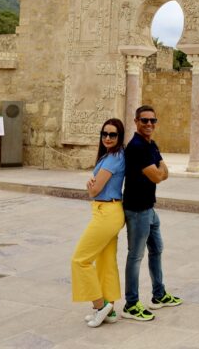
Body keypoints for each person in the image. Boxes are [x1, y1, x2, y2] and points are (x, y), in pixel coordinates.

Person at [121, 104, 182, 321]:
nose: (149, 124)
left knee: (157, 249)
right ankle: (131, 304)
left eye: (152, 121)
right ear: (136, 121)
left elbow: (164, 171)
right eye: (144, 120)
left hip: (149, 208)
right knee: (135, 256)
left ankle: (159, 295)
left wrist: (160, 171)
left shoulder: (151, 144)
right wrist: (160, 172)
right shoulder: (137, 147)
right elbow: (158, 176)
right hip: (137, 209)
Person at [70, 118, 126, 328]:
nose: (108, 138)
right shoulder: (110, 156)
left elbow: (94, 190)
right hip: (107, 210)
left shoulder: (114, 157)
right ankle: (109, 311)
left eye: (113, 135)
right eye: (104, 134)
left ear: (119, 137)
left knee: (80, 260)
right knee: (106, 262)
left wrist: (89, 185)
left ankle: (100, 305)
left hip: (107, 212)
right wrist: (93, 186)